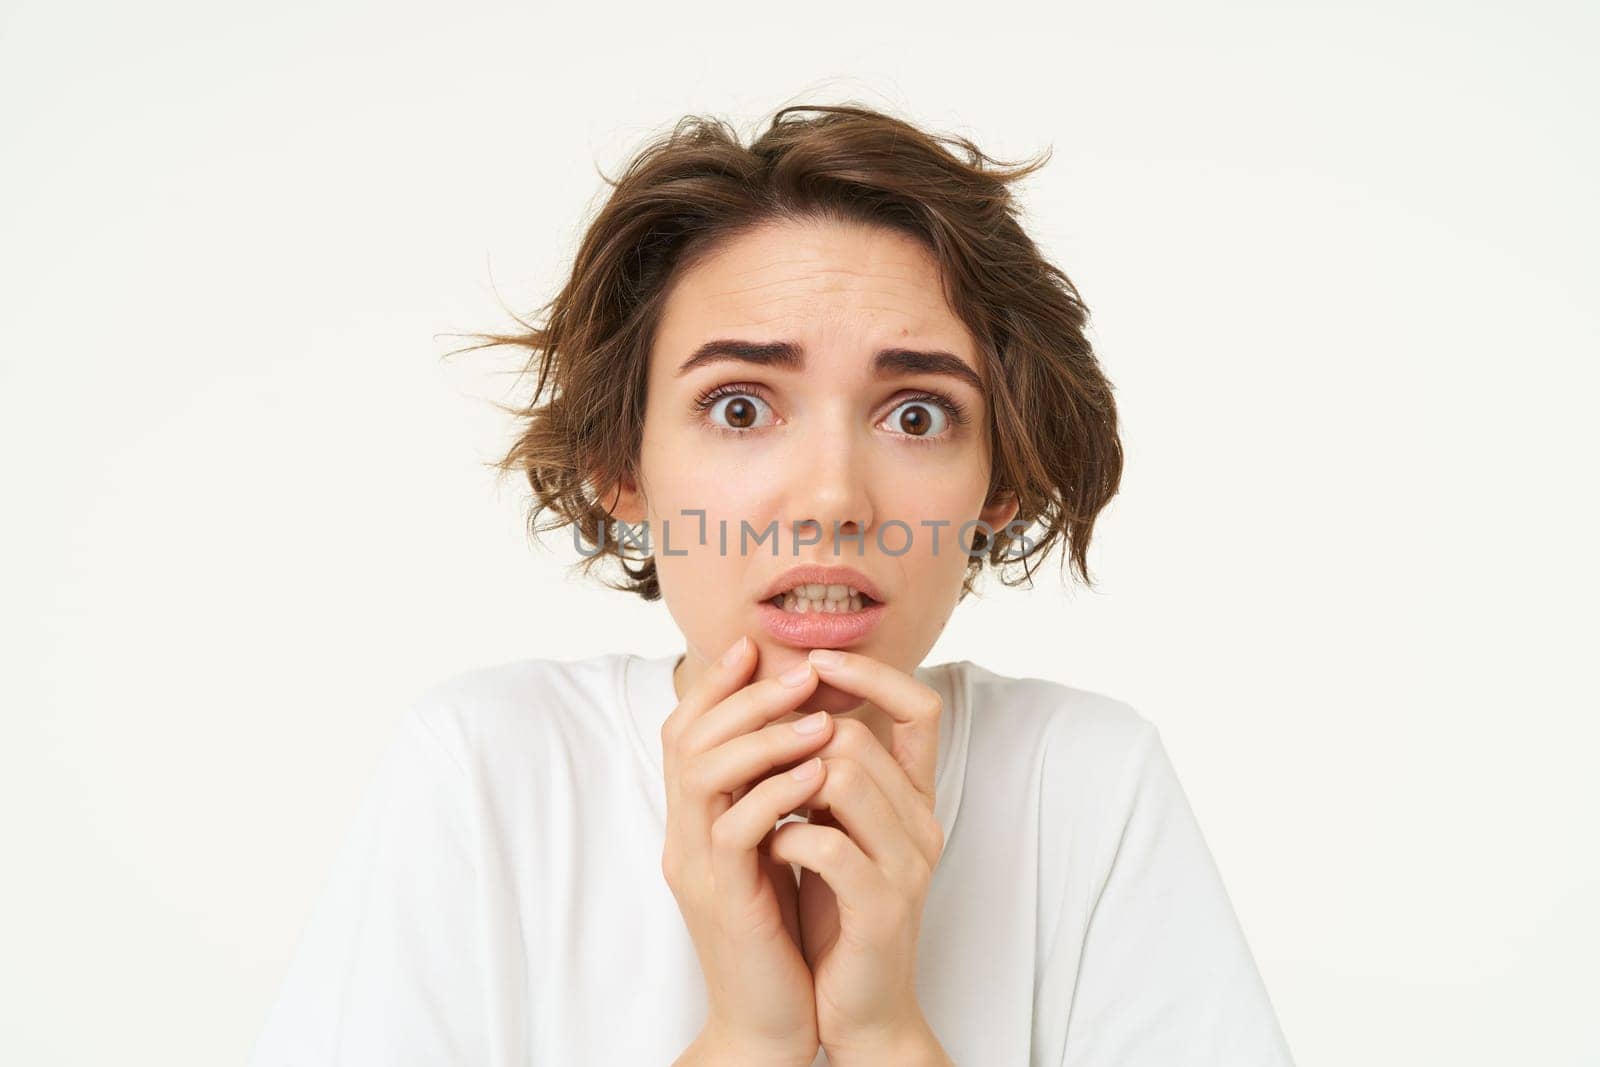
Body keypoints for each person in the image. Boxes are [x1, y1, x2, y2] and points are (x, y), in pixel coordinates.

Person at [249, 103, 1295, 1066]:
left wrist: (883, 1029)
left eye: (917, 414)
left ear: (999, 488)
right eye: (741, 408)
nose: (834, 498)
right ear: (624, 467)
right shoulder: (491, 765)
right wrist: (750, 1035)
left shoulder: (1083, 780)